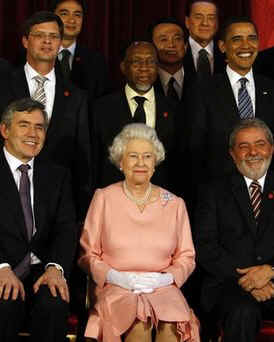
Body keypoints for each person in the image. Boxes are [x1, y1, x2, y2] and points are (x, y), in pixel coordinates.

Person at [78, 123, 200, 342]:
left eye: (147, 156)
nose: (141, 163)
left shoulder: (174, 203)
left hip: (163, 288)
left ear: (155, 162)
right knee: (138, 328)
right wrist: (115, 276)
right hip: (117, 288)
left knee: (171, 332)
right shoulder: (103, 198)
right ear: (121, 162)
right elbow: (88, 254)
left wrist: (166, 279)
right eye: (133, 156)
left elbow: (187, 256)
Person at [0, 11, 91, 222]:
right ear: (25, 41)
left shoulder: (77, 97)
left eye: (54, 37)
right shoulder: (4, 84)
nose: (47, 41)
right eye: (40, 35)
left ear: (61, 44)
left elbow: (82, 157)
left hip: (56, 206)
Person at [0, 97, 77, 342]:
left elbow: (66, 228)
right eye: (24, 125)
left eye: (39, 127)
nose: (33, 133)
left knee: (54, 304)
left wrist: (56, 267)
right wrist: (1, 268)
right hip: (2, 269)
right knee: (5, 304)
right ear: (5, 130)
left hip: (42, 271)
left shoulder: (58, 175)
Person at [195, 118, 274, 342]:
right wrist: (249, 280)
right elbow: (205, 246)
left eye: (259, 144)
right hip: (230, 285)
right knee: (242, 312)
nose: (253, 152)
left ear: (271, 148)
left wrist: (270, 271)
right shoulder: (213, 191)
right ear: (232, 154)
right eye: (243, 146)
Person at [186, 16, 274, 193]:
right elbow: (193, 153)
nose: (246, 45)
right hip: (221, 197)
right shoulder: (202, 91)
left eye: (252, 38)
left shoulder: (271, 88)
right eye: (236, 39)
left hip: (267, 197)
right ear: (222, 46)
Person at [91, 41, 180, 196]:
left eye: (150, 61)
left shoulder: (175, 109)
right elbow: (93, 160)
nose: (144, 67)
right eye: (136, 61)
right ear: (123, 67)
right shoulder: (101, 108)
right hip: (114, 199)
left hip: (161, 201)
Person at [51, 0, 110, 104]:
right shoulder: (37, 54)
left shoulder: (96, 60)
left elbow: (102, 102)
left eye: (77, 15)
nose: (72, 20)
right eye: (64, 14)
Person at [149, 17, 190, 106]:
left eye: (177, 39)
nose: (171, 45)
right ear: (151, 47)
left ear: (186, 46)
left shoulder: (199, 81)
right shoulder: (145, 81)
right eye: (164, 39)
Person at [184, 0, 225, 78]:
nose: (205, 23)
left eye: (211, 18)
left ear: (217, 23)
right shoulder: (177, 51)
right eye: (198, 17)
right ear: (187, 22)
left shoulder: (227, 53)